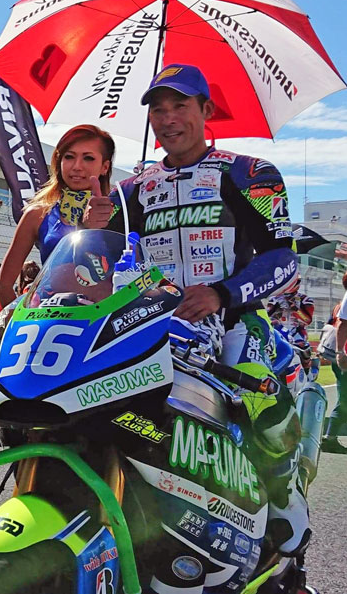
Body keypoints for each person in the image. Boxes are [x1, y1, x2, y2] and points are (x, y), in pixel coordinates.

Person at [94, 63, 310, 588]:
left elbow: (283, 258)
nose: (168, 118)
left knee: (258, 393)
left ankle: (282, 493)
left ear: (206, 110)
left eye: (180, 106)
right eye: (158, 109)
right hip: (149, 324)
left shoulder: (250, 173)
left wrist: (221, 293)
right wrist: (95, 228)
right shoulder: (131, 190)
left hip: (233, 319)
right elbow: (105, 261)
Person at [0, 125, 115, 308]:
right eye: (69, 157)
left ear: (104, 167)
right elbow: (3, 285)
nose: (77, 167)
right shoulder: (37, 214)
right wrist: (20, 321)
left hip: (107, 321)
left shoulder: (121, 211)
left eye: (88, 158)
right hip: (52, 319)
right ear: (59, 162)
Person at [326, 268, 347, 453]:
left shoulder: (345, 299)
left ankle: (330, 437)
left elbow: (338, 324)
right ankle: (330, 437)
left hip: (346, 354)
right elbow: (342, 324)